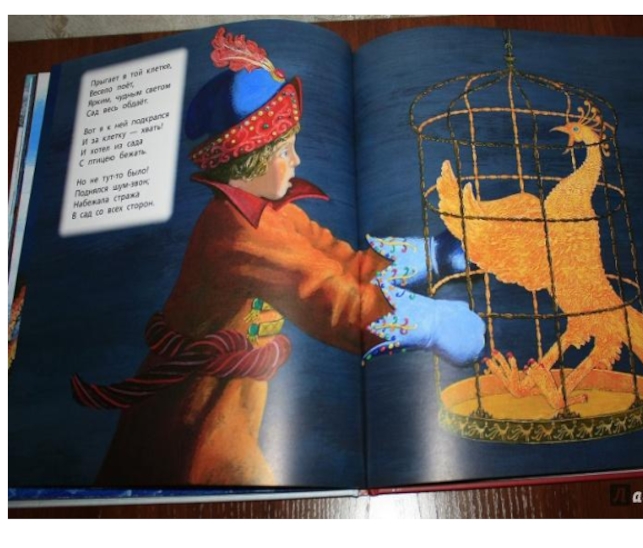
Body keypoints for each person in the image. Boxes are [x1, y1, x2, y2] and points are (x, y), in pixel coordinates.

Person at [72, 28, 483, 486]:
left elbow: (342, 266)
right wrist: (432, 323)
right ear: (249, 159)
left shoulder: (271, 215)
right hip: (193, 415)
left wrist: (435, 254)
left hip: (230, 405)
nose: (298, 161)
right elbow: (333, 302)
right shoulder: (239, 230)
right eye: (285, 150)